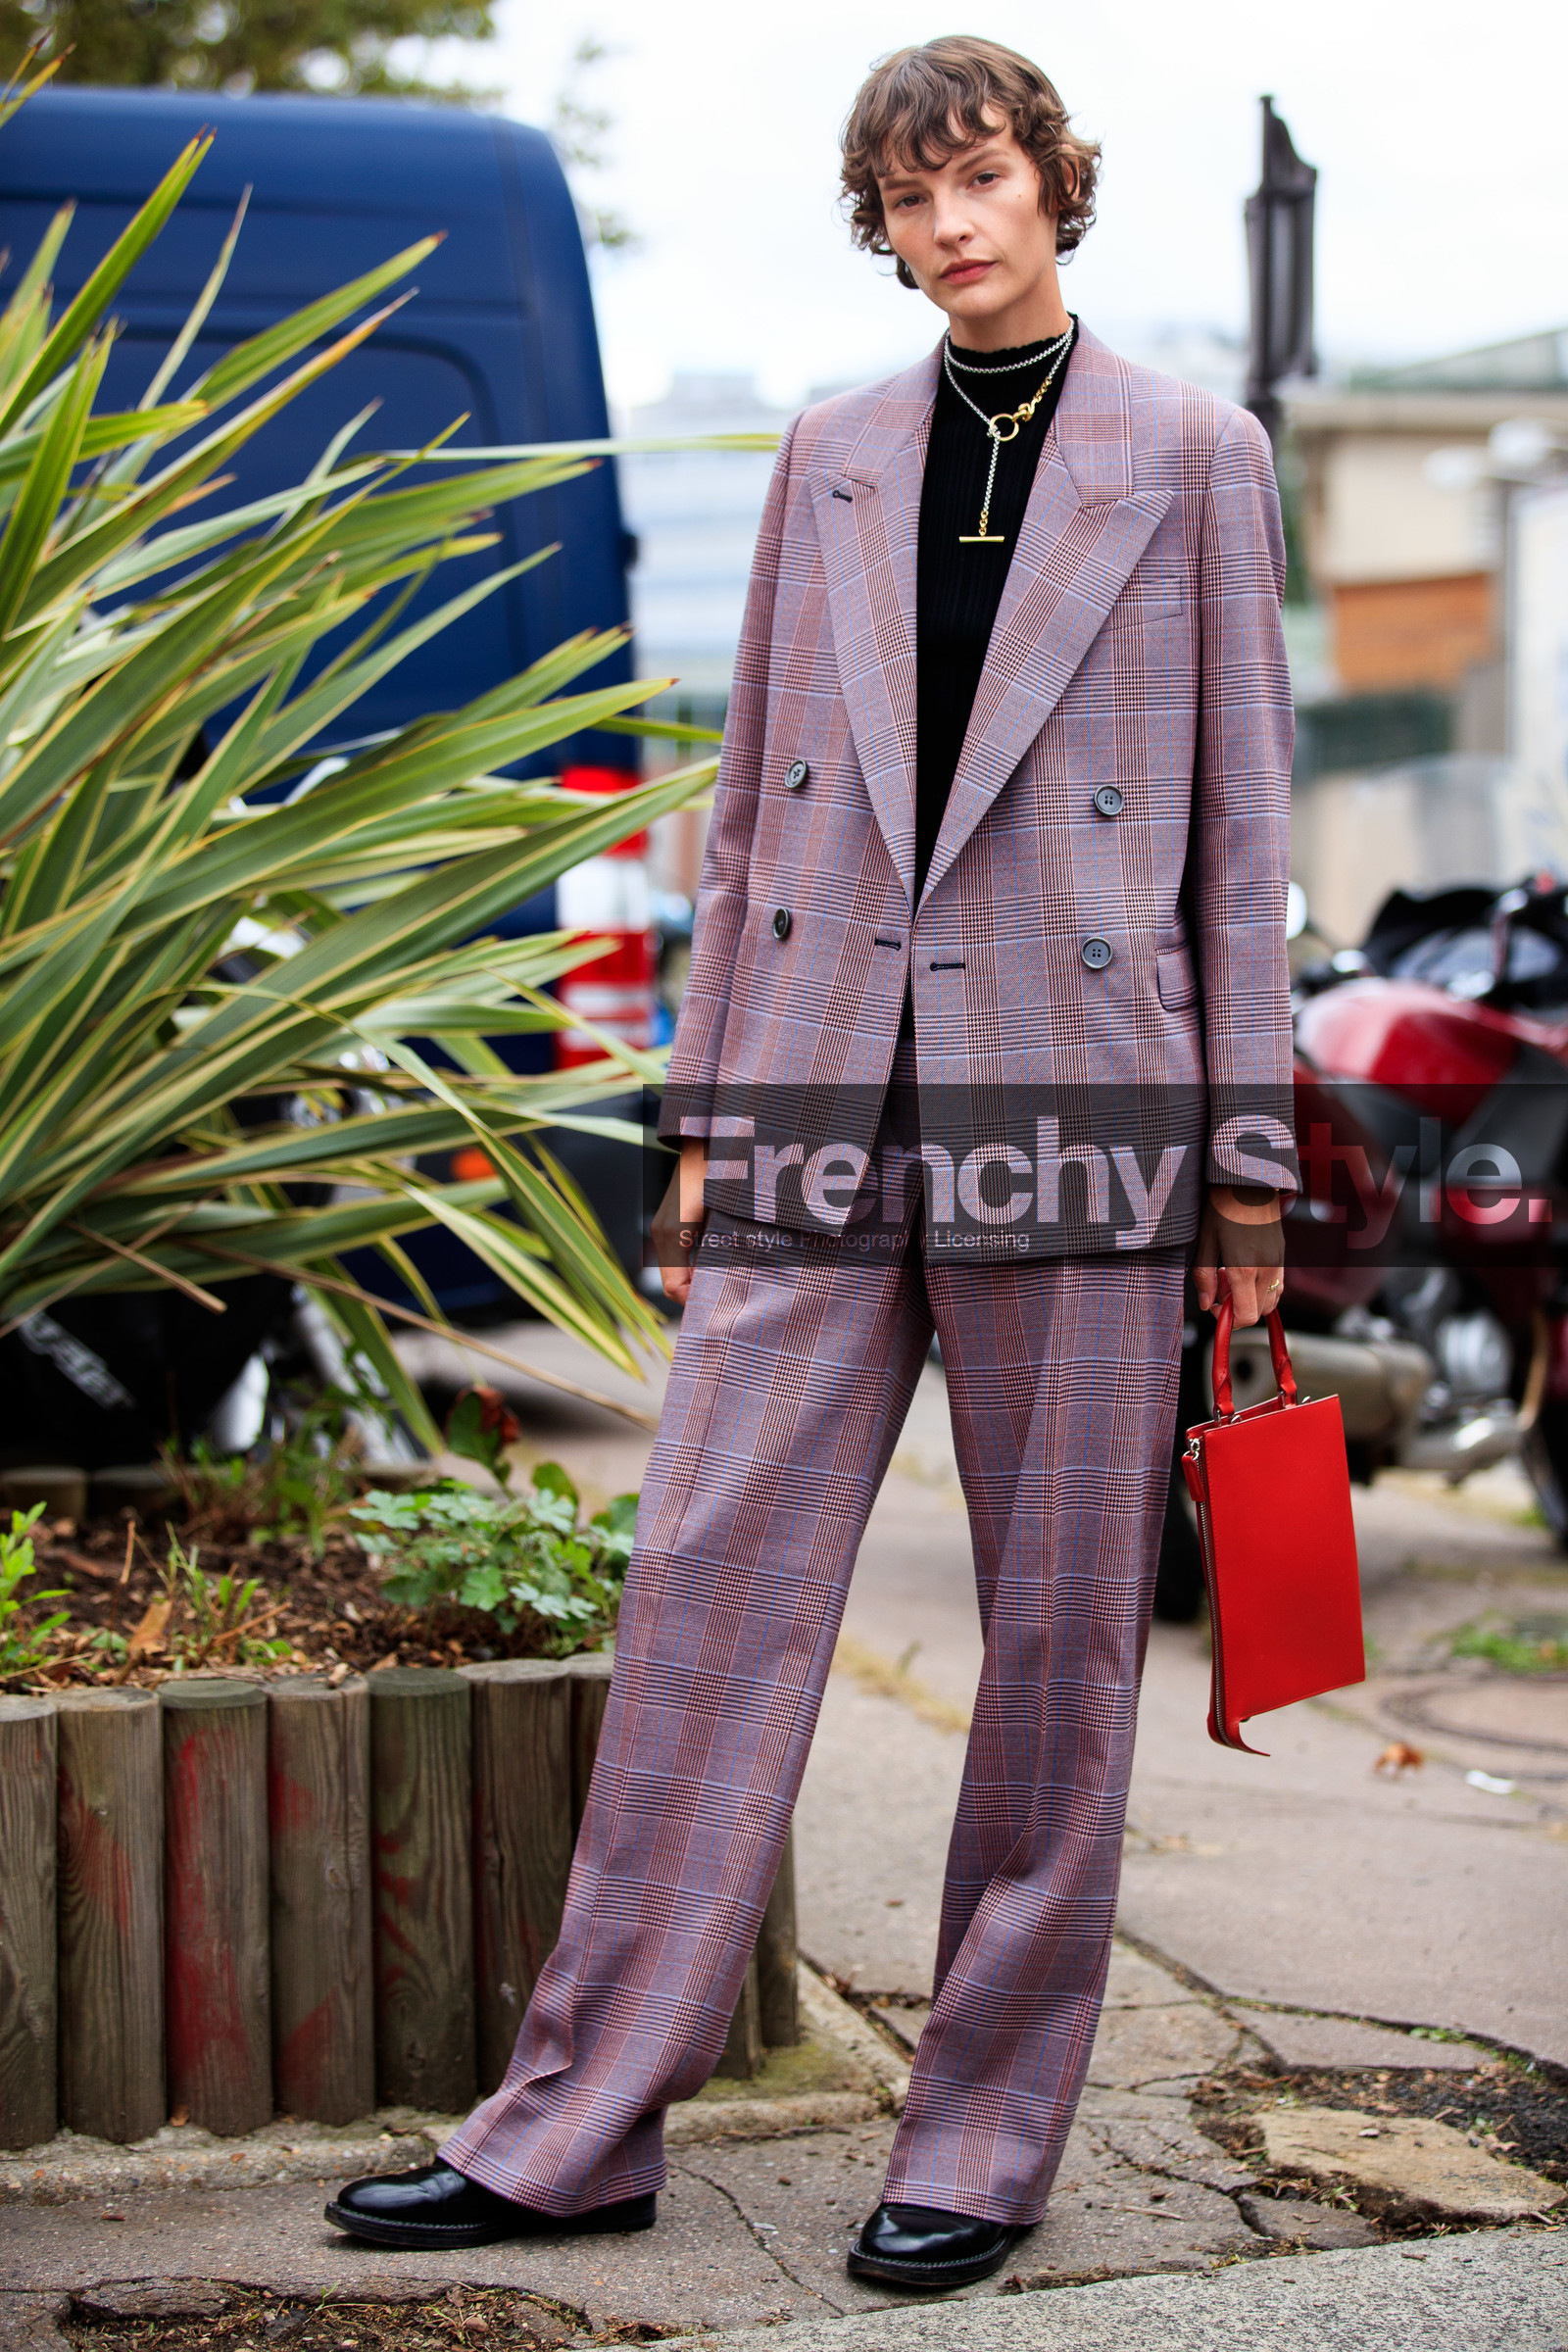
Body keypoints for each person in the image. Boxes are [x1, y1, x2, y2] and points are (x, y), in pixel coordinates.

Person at [327, 33, 1295, 2289]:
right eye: (909, 197)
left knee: (1056, 1654)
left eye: (982, 181)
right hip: (816, 1090)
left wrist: (1243, 1189)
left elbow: (1239, 839)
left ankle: (973, 2133)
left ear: (1054, 187)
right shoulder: (834, 456)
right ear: (880, 228)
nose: (950, 226)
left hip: (1079, 1109)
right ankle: (575, 2122)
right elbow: (753, 792)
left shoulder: (1190, 452)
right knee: (698, 1597)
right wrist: (704, 1112)